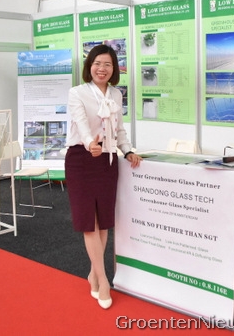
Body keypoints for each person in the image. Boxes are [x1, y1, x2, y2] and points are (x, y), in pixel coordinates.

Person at [64, 44, 142, 310]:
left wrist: (128, 150)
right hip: (82, 159)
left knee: (104, 222)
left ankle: (93, 274)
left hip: (107, 161)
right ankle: (104, 279)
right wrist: (90, 143)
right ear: (90, 66)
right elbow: (81, 123)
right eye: (97, 63)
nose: (102, 69)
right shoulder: (77, 93)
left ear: (114, 69)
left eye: (108, 64)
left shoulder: (116, 94)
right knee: (90, 223)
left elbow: (119, 130)